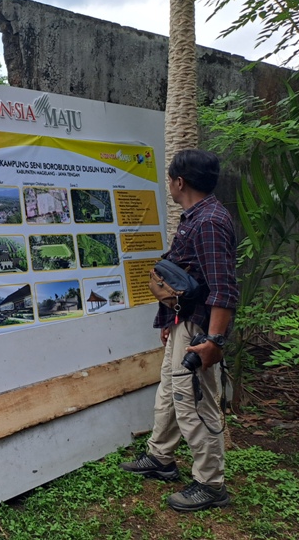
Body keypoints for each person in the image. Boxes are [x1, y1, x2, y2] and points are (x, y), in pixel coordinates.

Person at [120, 149, 239, 512]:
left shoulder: (209, 222)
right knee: (172, 388)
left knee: (194, 402)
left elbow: (223, 289)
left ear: (179, 181)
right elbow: (188, 277)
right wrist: (171, 322)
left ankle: (210, 483)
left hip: (201, 329)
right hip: (184, 321)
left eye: (169, 179)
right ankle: (162, 457)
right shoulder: (195, 216)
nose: (168, 185)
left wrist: (213, 342)